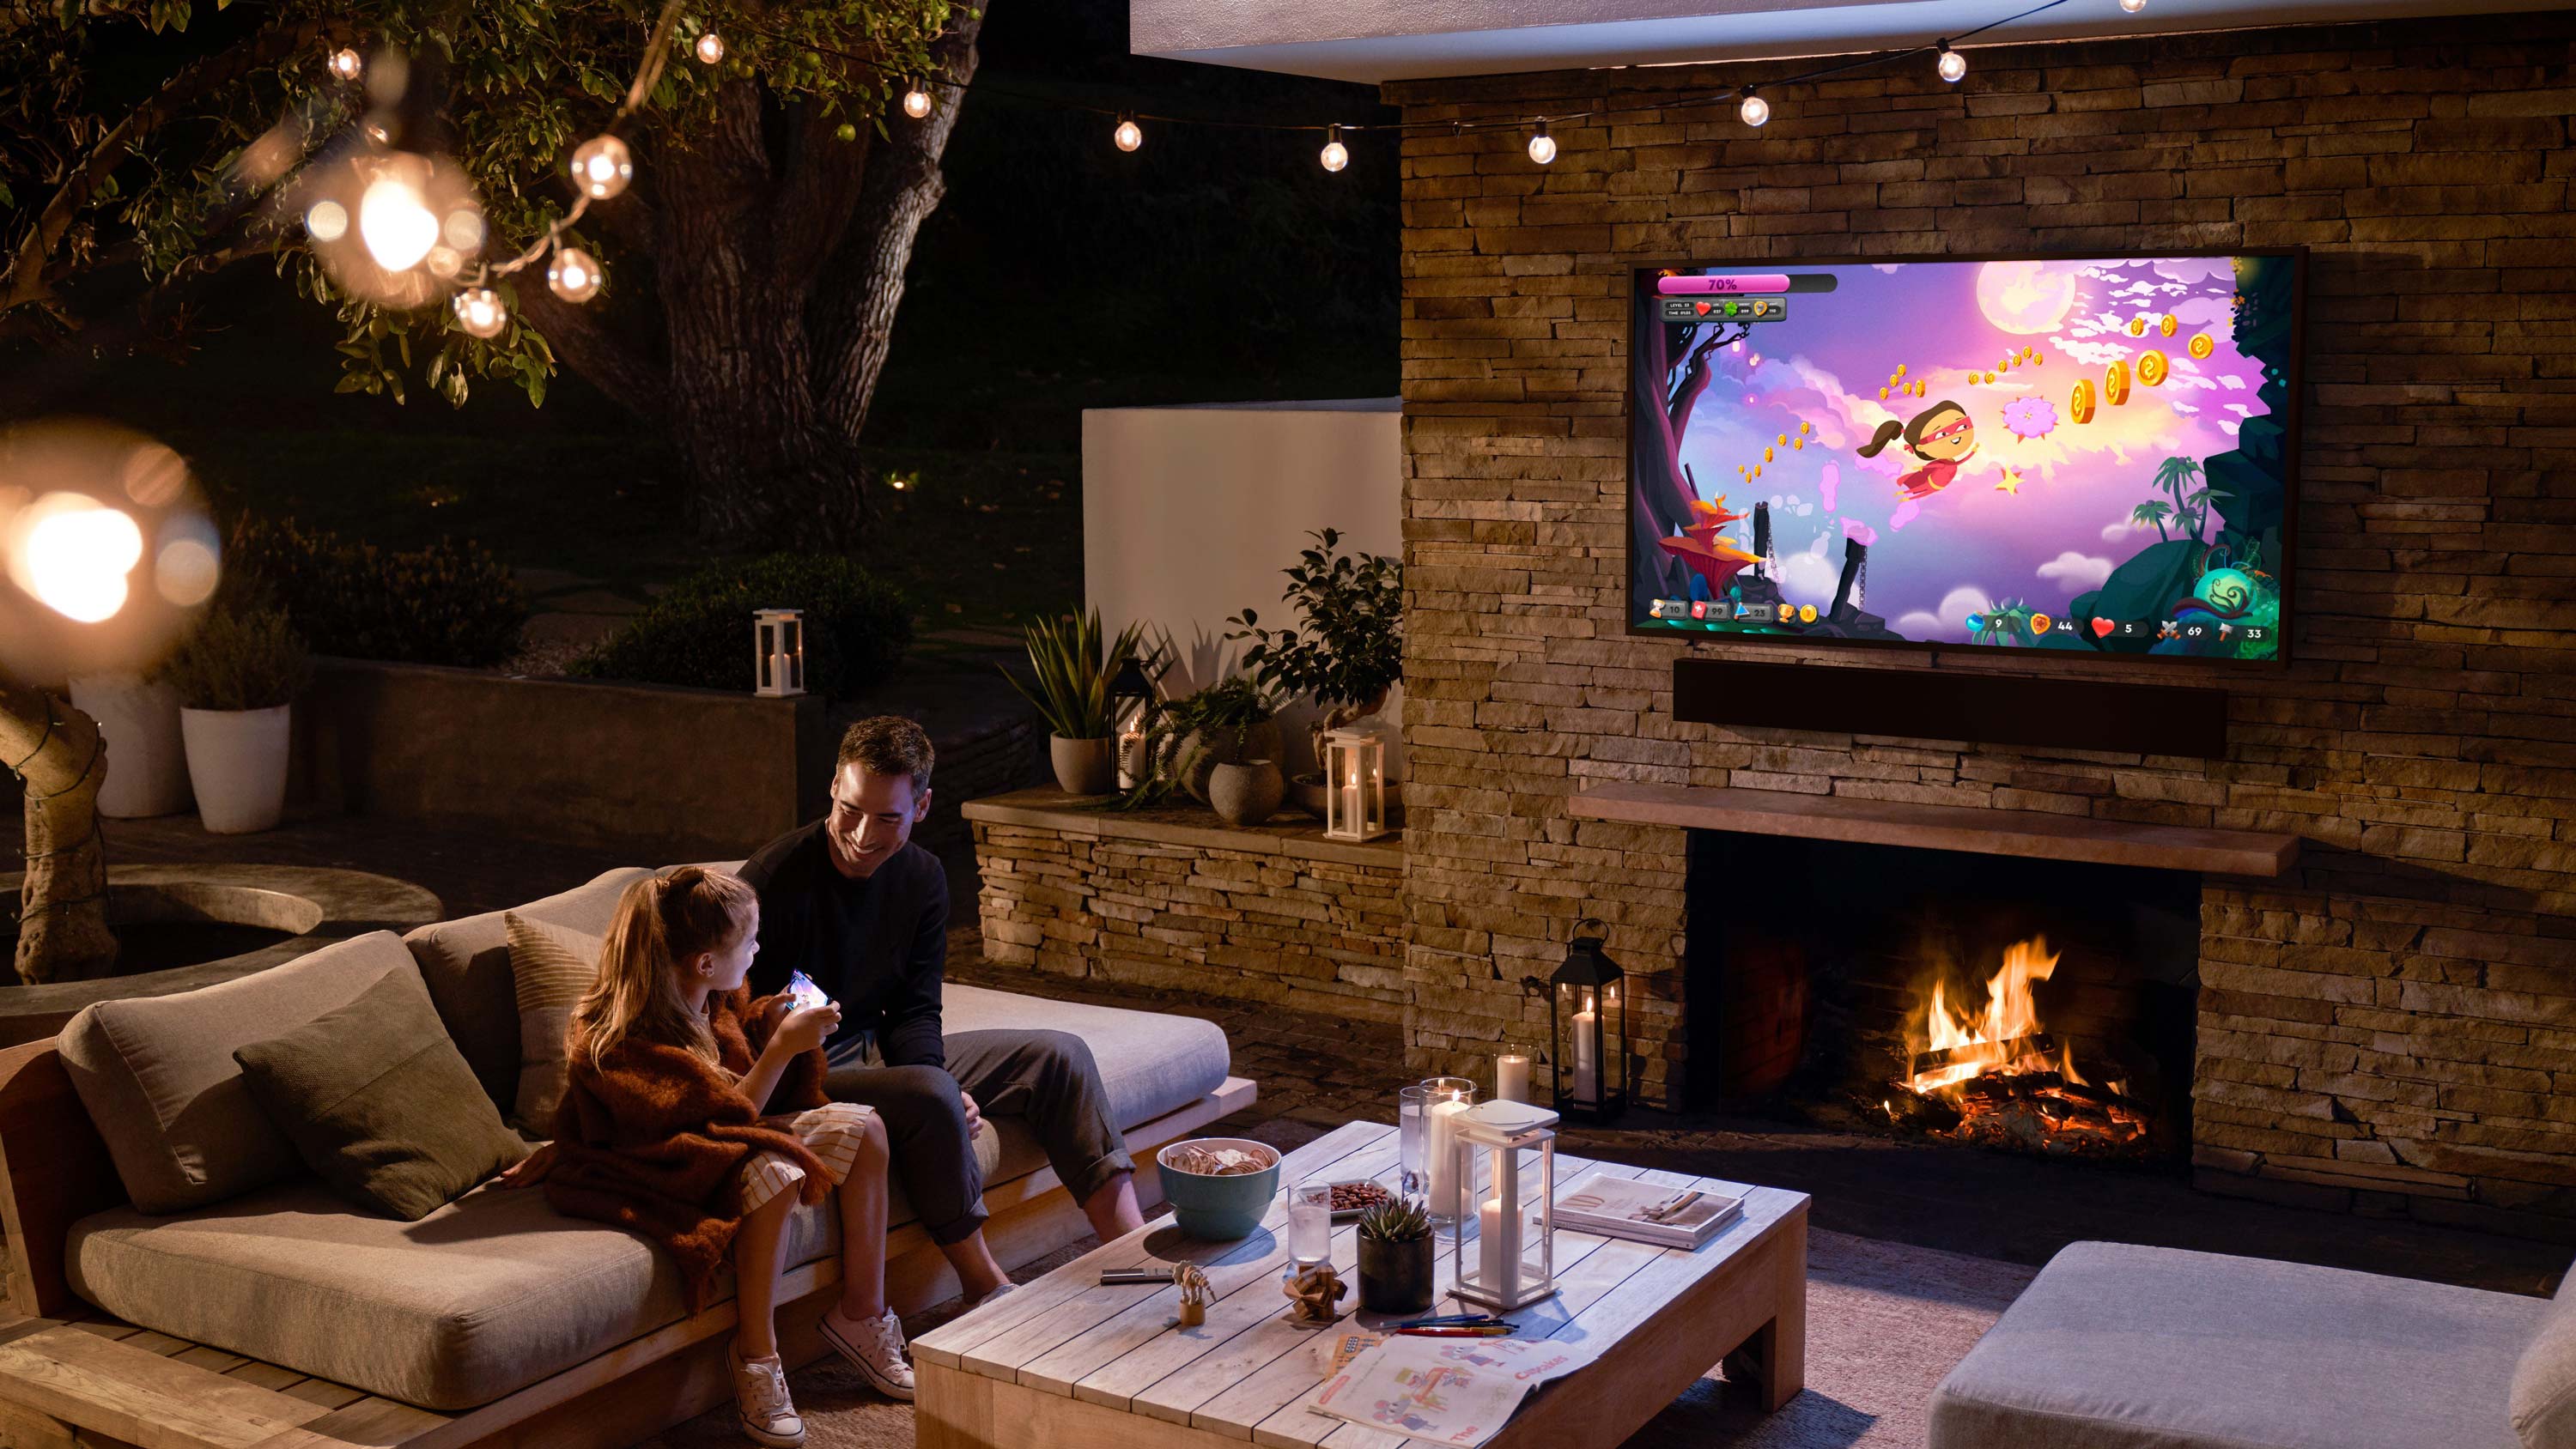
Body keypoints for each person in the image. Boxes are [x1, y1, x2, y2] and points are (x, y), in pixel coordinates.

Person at [739, 716, 1143, 1311]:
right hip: (797, 1073)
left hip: (877, 1051)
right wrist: (937, 1089)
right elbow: (747, 1024)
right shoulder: (774, 882)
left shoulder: (922, 880)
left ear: (922, 806)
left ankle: (1134, 1256)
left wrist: (944, 1079)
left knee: (1060, 1056)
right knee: (930, 1092)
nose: (860, 833)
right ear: (833, 786)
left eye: (887, 818)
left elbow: (915, 1008)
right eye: (850, 809)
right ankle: (986, 1288)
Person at [501, 868, 913, 1448]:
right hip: (663, 1163)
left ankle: (861, 1314)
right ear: (703, 962)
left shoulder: (712, 1001)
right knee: (776, 1173)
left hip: (722, 1139)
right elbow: (710, 1122)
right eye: (750, 942)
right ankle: (756, 1357)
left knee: (867, 1128)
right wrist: (783, 1047)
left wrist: (767, 1023)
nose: (757, 950)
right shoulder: (616, 1040)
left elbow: (730, 1081)